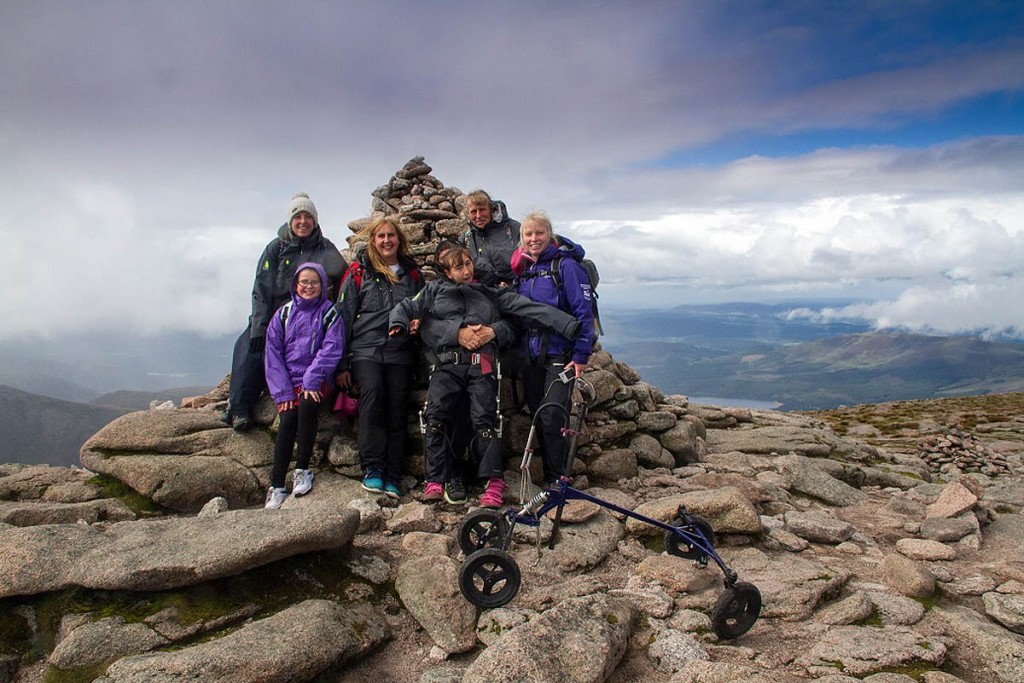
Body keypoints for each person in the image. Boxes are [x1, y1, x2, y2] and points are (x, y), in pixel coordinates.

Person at [389, 246, 582, 508]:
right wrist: (398, 324)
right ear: (447, 272)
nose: (466, 271)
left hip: (484, 363)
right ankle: (435, 479)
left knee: (485, 418)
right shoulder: (433, 291)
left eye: (468, 264)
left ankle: (494, 482)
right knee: (435, 417)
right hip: (446, 365)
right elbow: (407, 307)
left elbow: (525, 310)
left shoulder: (490, 292)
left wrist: (569, 325)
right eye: (459, 267)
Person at [224, 192, 347, 431]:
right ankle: (239, 409)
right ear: (290, 221)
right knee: (250, 346)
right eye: (297, 217)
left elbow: (342, 274)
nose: (303, 222)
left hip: (307, 314)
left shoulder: (324, 248)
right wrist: (259, 325)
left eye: (308, 217)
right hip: (274, 314)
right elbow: (261, 289)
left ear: (315, 221)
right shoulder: (276, 248)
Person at [335, 216, 423, 499]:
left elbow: (423, 308)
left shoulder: (412, 274)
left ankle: (394, 474)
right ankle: (373, 468)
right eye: (381, 236)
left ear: (399, 239)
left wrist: (418, 322)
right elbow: (343, 318)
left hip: (400, 351)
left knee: (397, 408)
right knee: (372, 399)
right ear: (373, 241)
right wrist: (342, 364)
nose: (386, 241)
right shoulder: (359, 272)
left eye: (391, 235)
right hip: (366, 350)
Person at [512, 212, 596, 487]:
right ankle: (551, 475)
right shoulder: (524, 271)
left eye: (539, 233)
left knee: (552, 414)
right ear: (522, 238)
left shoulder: (566, 267)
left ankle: (557, 479)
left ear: (550, 235)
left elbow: (583, 312)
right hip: (530, 354)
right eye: (528, 234)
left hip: (560, 353)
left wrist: (581, 355)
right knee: (537, 412)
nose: (533, 239)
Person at [263, 262, 346, 509]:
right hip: (289, 381)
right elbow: (272, 354)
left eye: (314, 282)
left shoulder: (330, 313)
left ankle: (302, 469)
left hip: (318, 379)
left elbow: (331, 349)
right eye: (304, 282)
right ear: (295, 285)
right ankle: (277, 485)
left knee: (308, 405)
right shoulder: (284, 314)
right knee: (288, 417)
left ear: (322, 285)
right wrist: (283, 392)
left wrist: (311, 380)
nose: (309, 287)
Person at [460, 190, 520, 288]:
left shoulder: (513, 229)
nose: (478, 216)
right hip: (484, 290)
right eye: (473, 212)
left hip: (516, 287)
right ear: (468, 214)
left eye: (482, 210)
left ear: (491, 210)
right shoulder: (466, 239)